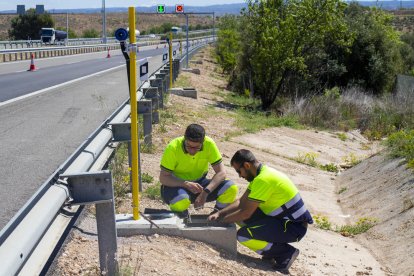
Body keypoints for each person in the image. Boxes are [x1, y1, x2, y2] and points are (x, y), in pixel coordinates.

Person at [208, 149, 313, 274]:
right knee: (238, 217)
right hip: (281, 221)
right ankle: (272, 250)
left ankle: (285, 253)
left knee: (243, 236)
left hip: (292, 227)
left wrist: (222, 221)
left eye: (239, 171)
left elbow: (246, 212)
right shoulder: (260, 175)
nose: (240, 175)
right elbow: (241, 202)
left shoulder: (263, 179)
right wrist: (220, 213)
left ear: (247, 165)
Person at [159, 123, 238, 215]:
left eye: (197, 147)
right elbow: (164, 178)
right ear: (185, 139)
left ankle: (218, 215)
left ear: (203, 141)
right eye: (189, 146)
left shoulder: (209, 144)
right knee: (181, 201)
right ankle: (180, 218)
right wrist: (185, 184)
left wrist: (205, 193)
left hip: (200, 185)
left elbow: (221, 173)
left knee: (231, 188)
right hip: (176, 185)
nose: (192, 151)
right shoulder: (173, 147)